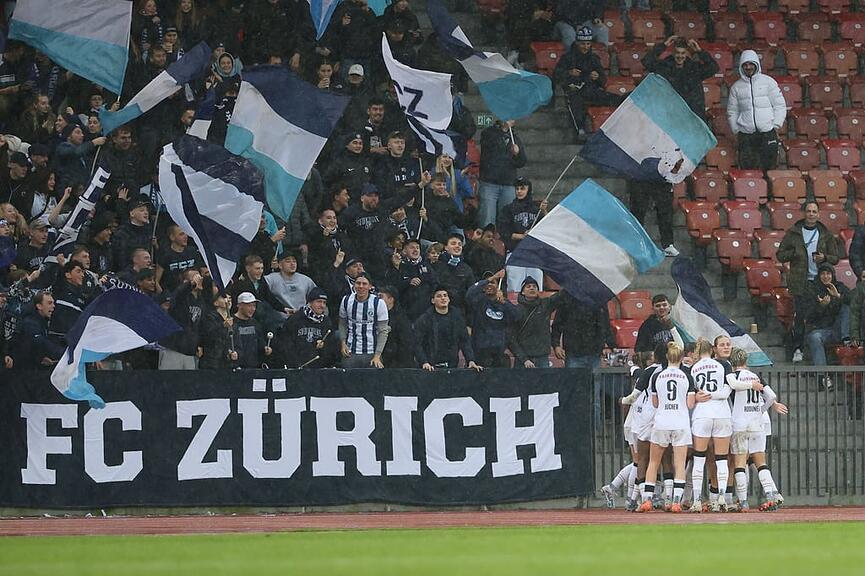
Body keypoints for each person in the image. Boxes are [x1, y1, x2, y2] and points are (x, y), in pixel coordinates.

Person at [776, 201, 840, 363]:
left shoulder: (825, 233)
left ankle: (814, 347)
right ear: (804, 213)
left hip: (820, 282)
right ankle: (797, 348)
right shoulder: (793, 232)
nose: (811, 214)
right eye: (809, 211)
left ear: (818, 214)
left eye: (814, 211)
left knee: (818, 314)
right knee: (800, 316)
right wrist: (795, 253)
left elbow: (835, 258)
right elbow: (780, 255)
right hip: (800, 282)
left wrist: (824, 258)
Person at [727, 347, 788, 512]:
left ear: (732, 362)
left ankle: (743, 502)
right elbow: (772, 396)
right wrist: (760, 410)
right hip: (757, 424)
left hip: (739, 424)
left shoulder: (733, 376)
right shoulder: (756, 377)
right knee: (761, 463)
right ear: (746, 361)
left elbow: (733, 385)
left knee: (740, 463)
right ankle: (771, 496)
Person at [638, 342, 696, 513]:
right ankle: (676, 501)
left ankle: (647, 500)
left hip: (662, 421)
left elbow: (655, 403)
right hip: (680, 422)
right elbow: (690, 404)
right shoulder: (687, 376)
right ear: (681, 357)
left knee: (653, 462)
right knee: (679, 464)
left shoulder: (657, 376)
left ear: (667, 357)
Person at [554, 27, 623, 142]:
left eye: (588, 44)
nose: (585, 47)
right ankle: (580, 130)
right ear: (577, 43)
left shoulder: (594, 58)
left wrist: (597, 77)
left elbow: (603, 79)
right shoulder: (567, 58)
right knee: (576, 103)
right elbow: (557, 75)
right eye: (582, 44)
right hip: (575, 91)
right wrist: (569, 73)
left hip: (591, 90)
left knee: (615, 99)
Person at [688, 339, 734, 513]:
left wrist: (701, 395)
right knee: (721, 459)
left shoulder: (693, 368)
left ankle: (697, 500)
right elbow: (726, 392)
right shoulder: (723, 365)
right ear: (712, 350)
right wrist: (714, 394)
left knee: (699, 459)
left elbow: (691, 394)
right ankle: (721, 497)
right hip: (722, 413)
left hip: (702, 414)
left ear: (698, 352)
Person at [727, 49, 787, 170]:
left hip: (768, 132)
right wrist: (736, 129)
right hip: (746, 135)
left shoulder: (769, 82)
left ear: (756, 64)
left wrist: (776, 125)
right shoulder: (736, 87)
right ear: (741, 66)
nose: (748, 67)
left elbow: (780, 105)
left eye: (751, 64)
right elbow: (732, 111)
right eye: (745, 65)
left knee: (769, 169)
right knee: (748, 170)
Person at [642, 36, 719, 121]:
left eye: (683, 53)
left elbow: (714, 68)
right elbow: (647, 61)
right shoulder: (664, 67)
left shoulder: (694, 69)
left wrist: (699, 50)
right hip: (670, 113)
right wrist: (664, 45)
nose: (680, 56)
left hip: (691, 114)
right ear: (673, 53)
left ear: (686, 53)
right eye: (677, 53)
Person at [414, 286, 483, 372]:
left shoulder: (457, 318)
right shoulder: (424, 319)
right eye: (439, 296)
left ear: (449, 299)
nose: (443, 298)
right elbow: (417, 344)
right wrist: (424, 362)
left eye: (445, 295)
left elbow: (465, 341)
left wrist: (470, 360)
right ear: (433, 301)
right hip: (430, 368)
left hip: (452, 366)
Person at [498, 176, 547, 292]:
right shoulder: (508, 209)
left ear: (528, 190)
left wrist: (544, 211)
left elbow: (546, 228)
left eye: (522, 188)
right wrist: (521, 236)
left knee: (536, 286)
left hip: (534, 253)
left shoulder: (537, 209)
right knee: (514, 286)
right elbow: (503, 232)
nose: (519, 191)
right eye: (517, 189)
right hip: (515, 252)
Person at [802, 263, 850, 380]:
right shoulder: (812, 289)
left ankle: (847, 339)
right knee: (815, 337)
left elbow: (854, 301)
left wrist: (838, 296)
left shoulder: (840, 286)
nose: (826, 276)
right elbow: (808, 316)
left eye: (828, 273)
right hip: (822, 330)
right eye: (822, 274)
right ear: (819, 275)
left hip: (839, 329)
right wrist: (821, 306)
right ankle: (823, 376)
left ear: (832, 275)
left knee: (846, 307)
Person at [465, 270, 521, 368]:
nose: (489, 285)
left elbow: (516, 317)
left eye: (493, 283)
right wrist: (492, 278)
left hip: (498, 353)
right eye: (487, 282)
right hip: (480, 352)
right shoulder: (478, 301)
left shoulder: (504, 303)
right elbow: (470, 293)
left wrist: (504, 302)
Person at [477, 121, 527, 227]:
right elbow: (489, 151)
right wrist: (503, 130)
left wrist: (517, 154)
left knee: (506, 220)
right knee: (487, 219)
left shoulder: (515, 139)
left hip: (508, 183)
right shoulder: (488, 133)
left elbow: (521, 162)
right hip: (489, 182)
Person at [159, 269, 210, 370]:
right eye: (196, 277)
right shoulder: (180, 298)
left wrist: (200, 344)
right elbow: (179, 293)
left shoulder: (201, 301)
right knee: (170, 379)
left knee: (189, 380)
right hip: (174, 348)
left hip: (190, 350)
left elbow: (200, 326)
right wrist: (191, 284)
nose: (199, 279)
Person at [274, 287, 335, 369]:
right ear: (310, 303)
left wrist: (323, 347)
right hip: (296, 367)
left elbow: (331, 347)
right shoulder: (295, 319)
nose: (322, 305)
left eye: (324, 303)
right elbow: (286, 344)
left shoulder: (327, 322)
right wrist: (295, 364)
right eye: (319, 302)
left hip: (318, 368)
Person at [508, 277, 563, 368]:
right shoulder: (516, 310)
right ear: (522, 292)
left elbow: (561, 296)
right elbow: (511, 338)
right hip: (522, 360)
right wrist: (524, 359)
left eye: (534, 286)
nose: (532, 288)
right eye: (528, 286)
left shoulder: (546, 305)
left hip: (542, 358)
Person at [339, 273, 389, 368]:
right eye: (358, 283)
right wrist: (343, 342)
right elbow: (342, 324)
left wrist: (377, 355)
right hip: (351, 352)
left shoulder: (379, 303)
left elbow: (383, 331)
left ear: (370, 286)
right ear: (354, 285)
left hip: (372, 353)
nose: (361, 286)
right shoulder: (346, 300)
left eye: (364, 284)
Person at [11, 291, 64, 370]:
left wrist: (39, 359)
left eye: (53, 303)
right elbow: (40, 342)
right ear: (39, 306)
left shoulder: (42, 321)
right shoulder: (30, 323)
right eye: (49, 303)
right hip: (20, 370)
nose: (53, 306)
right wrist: (62, 353)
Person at [431, 233, 476, 312]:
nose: (457, 246)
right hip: (438, 310)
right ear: (446, 247)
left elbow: (471, 293)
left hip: (460, 311)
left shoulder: (467, 269)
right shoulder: (436, 266)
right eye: (453, 243)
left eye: (460, 244)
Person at [231, 292, 272, 369]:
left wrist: (266, 349)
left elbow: (261, 343)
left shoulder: (255, 323)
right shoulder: (231, 323)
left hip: (254, 367)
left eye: (254, 306)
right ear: (240, 305)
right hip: (237, 368)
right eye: (249, 306)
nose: (253, 309)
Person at [377, 285, 416, 368]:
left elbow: (405, 345)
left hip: (396, 364)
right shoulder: (376, 316)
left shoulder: (401, 319)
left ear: (391, 299)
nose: (377, 300)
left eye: (381, 297)